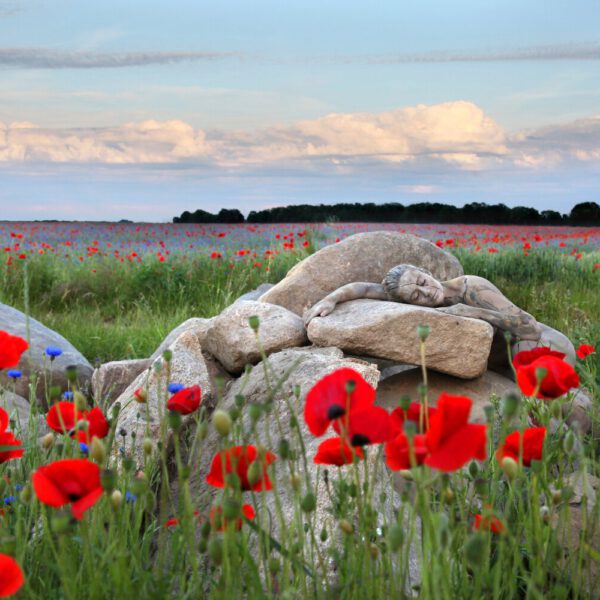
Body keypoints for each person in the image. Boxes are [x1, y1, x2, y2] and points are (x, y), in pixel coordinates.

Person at [303, 263, 576, 365]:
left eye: (422, 282)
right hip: (505, 363)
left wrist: (472, 312)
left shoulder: (471, 288)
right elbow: (362, 288)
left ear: (426, 271)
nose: (426, 292)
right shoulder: (411, 296)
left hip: (542, 345)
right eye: (416, 297)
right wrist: (331, 300)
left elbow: (529, 328)